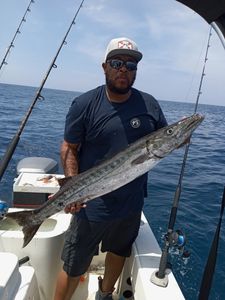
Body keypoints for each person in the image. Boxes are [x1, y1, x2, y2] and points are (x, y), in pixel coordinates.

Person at [54, 37, 168, 300]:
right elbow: (69, 147)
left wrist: (180, 136)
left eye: (131, 65)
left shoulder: (149, 104)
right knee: (74, 265)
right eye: (117, 63)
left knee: (119, 252)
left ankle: (105, 294)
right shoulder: (84, 104)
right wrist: (72, 187)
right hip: (90, 206)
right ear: (105, 67)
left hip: (130, 204)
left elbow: (162, 138)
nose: (124, 69)